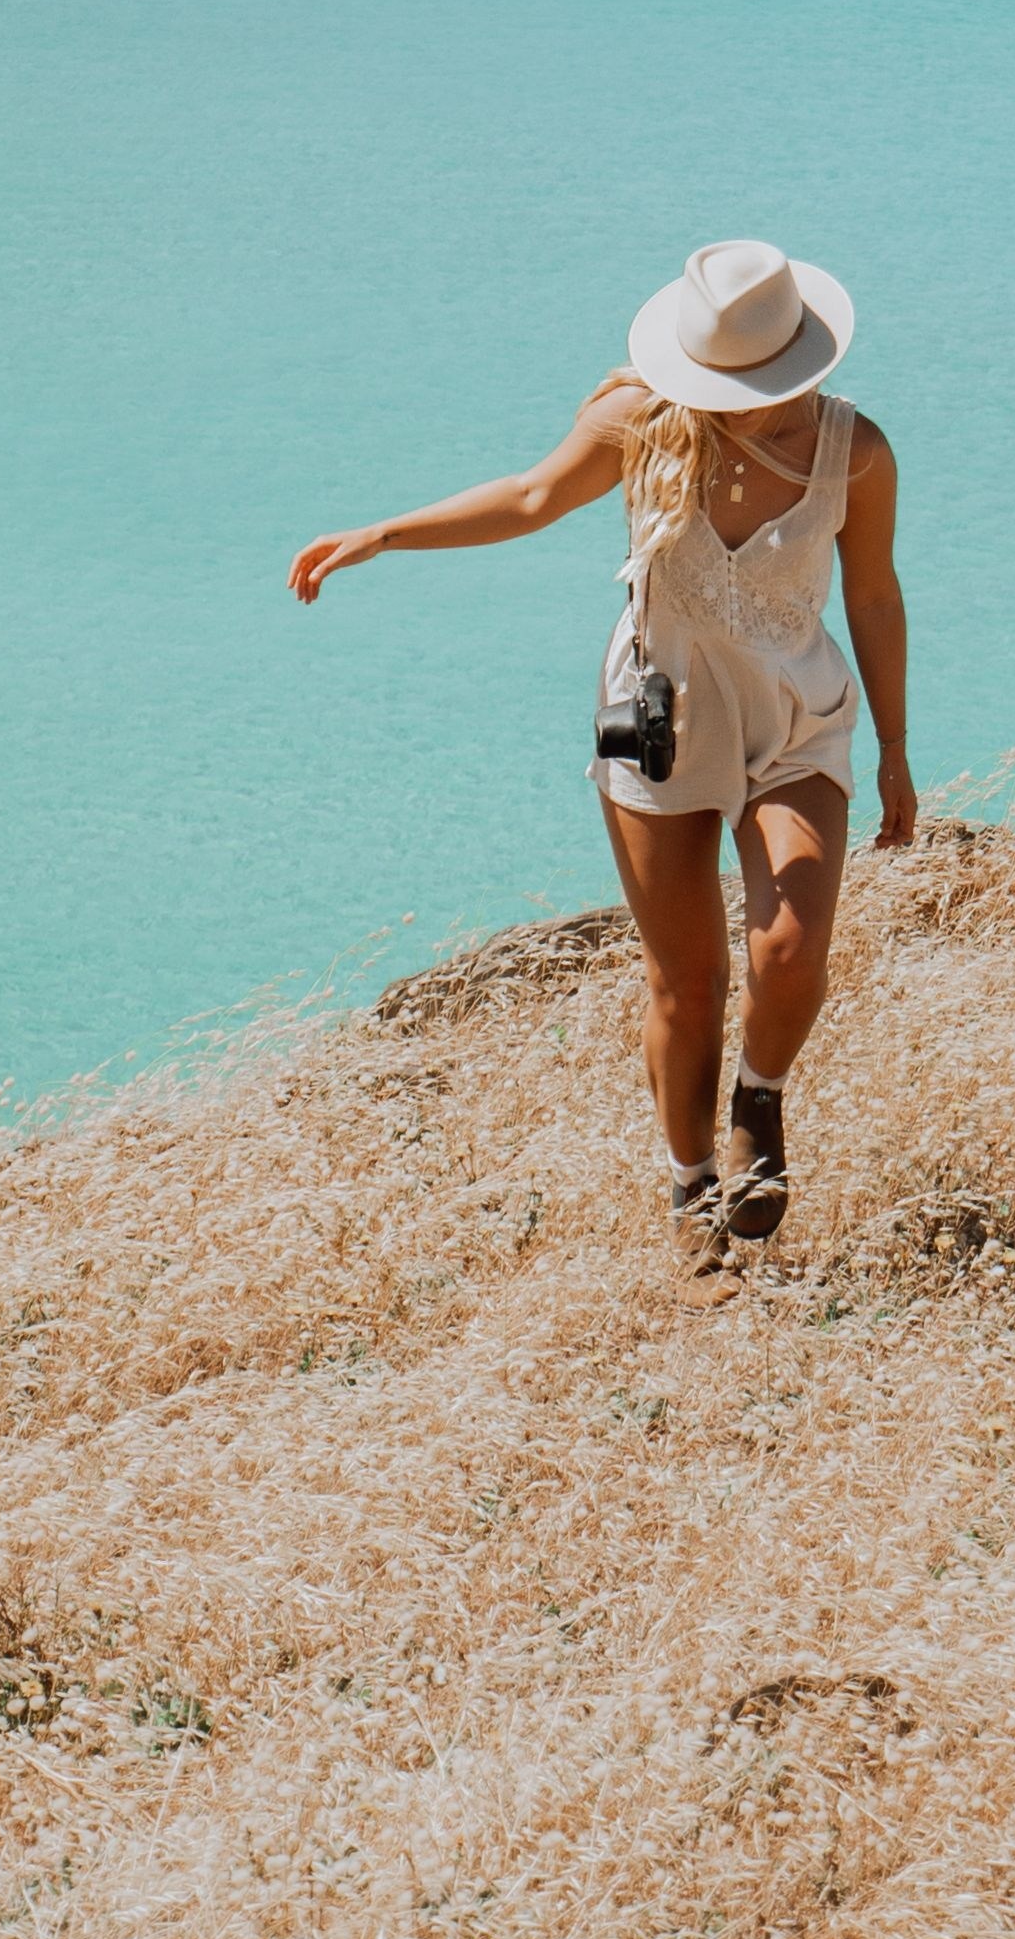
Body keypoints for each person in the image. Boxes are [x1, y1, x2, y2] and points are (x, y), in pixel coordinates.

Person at [289, 238, 915, 1248]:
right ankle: (692, 1190)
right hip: (657, 720)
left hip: (796, 719)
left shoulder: (858, 452)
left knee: (791, 949)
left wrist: (892, 748)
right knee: (688, 979)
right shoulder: (644, 426)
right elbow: (532, 497)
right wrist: (383, 534)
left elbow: (875, 596)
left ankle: (760, 1098)